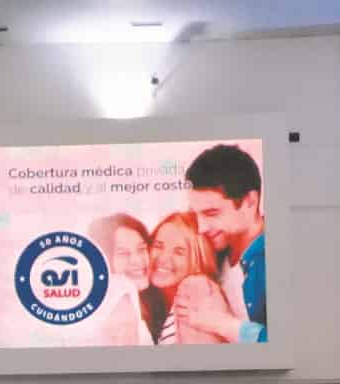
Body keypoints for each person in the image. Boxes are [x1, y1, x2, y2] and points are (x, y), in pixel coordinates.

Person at [178, 143, 268, 343]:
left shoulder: (277, 258)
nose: (202, 228)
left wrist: (221, 324)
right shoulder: (212, 253)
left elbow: (294, 342)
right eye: (197, 214)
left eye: (212, 213)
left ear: (250, 201)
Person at [149, 212, 230, 345]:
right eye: (158, 246)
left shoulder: (196, 289)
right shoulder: (167, 300)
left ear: (198, 259)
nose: (163, 258)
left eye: (179, 252)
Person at [88, 213, 169, 342]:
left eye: (141, 249)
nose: (137, 260)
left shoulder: (153, 303)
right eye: (123, 253)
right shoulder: (119, 292)